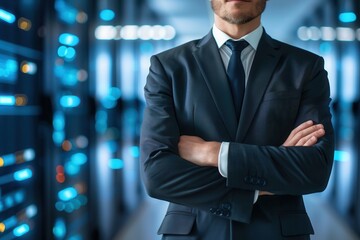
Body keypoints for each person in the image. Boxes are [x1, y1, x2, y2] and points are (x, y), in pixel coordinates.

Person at [140, 0, 334, 239]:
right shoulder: (168, 67)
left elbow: (314, 169)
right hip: (195, 232)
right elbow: (157, 175)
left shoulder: (305, 67)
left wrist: (214, 153)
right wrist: (260, 185)